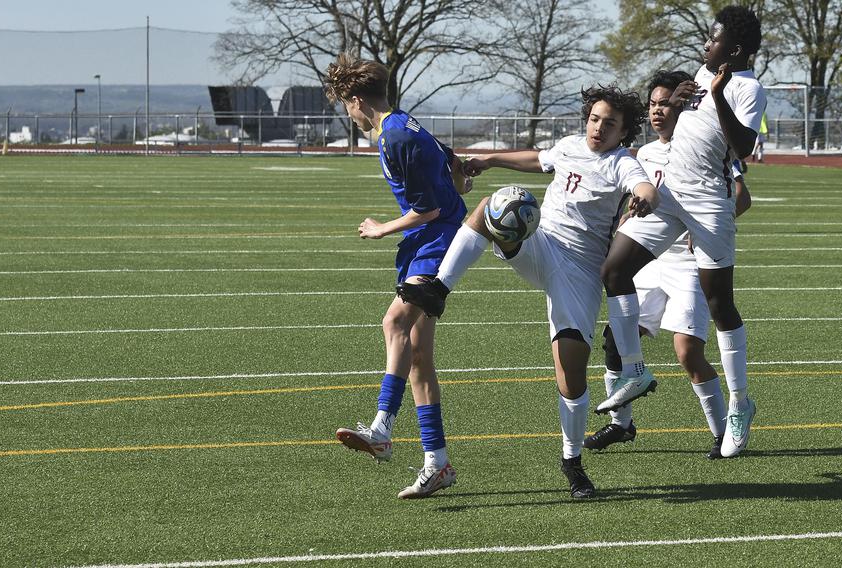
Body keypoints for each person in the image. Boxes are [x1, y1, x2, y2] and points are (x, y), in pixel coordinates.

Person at [399, 85, 659, 498]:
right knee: (491, 205)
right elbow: (536, 159)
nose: (598, 128)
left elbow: (643, 187)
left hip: (580, 271)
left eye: (610, 123)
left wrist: (644, 199)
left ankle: (572, 463)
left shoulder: (620, 163)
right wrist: (487, 159)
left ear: (624, 131)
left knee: (571, 369)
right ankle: (439, 288)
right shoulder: (571, 145)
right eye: (594, 118)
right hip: (542, 245)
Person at [599, 6, 765, 458]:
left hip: (709, 203)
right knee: (614, 271)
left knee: (720, 303)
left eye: (712, 41)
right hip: (670, 194)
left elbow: (744, 144)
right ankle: (634, 369)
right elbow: (685, 128)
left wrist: (718, 94)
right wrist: (678, 100)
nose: (704, 46)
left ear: (732, 49)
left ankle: (739, 404)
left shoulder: (748, 87)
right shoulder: (703, 71)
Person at [323, 53, 470, 499]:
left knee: (395, 323)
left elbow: (428, 208)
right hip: (428, 239)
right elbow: (452, 162)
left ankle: (382, 428)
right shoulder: (406, 124)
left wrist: (380, 228)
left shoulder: (394, 137)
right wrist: (459, 181)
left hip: (435, 241)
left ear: (354, 100)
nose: (348, 116)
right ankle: (437, 463)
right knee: (419, 356)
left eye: (345, 107)